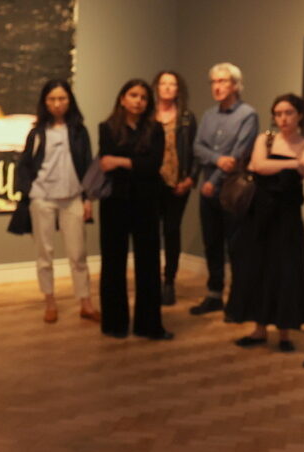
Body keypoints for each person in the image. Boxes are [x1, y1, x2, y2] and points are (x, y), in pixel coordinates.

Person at [225, 94, 304, 352]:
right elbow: (258, 165)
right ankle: (258, 329)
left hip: (287, 219)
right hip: (259, 217)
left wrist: (284, 165)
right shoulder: (264, 139)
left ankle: (284, 333)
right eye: (278, 113)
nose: (283, 118)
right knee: (257, 269)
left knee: (286, 272)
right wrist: (291, 163)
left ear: (299, 114)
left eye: (288, 112)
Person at [14, 79, 98, 324]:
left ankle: (86, 302)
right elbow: (25, 165)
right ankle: (49, 302)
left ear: (69, 100)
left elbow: (87, 164)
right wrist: (30, 191)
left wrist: (87, 197)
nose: (57, 104)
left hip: (72, 197)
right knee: (45, 254)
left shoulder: (79, 131)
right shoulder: (38, 132)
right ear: (45, 102)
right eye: (52, 99)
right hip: (42, 198)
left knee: (78, 253)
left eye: (62, 98)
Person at [97, 79, 172, 340]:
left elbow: (152, 165)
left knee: (149, 263)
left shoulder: (156, 129)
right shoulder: (107, 128)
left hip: (146, 202)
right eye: (133, 95)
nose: (138, 100)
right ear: (122, 98)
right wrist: (133, 163)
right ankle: (114, 323)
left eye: (143, 96)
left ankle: (148, 325)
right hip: (114, 202)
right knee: (113, 262)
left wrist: (120, 160)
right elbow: (104, 163)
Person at [190, 63, 258, 315]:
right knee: (212, 243)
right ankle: (214, 294)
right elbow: (197, 148)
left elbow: (238, 154)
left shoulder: (247, 115)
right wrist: (217, 160)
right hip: (208, 191)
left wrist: (213, 179)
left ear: (236, 85)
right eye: (214, 82)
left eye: (223, 82)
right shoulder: (208, 115)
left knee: (236, 245)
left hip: (232, 190)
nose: (217, 87)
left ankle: (238, 300)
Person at [152, 70, 198, 306]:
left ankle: (169, 281)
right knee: (149, 232)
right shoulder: (148, 115)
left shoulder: (187, 118)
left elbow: (196, 151)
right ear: (157, 87)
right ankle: (150, 280)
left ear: (178, 89)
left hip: (178, 182)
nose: (168, 88)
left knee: (171, 231)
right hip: (151, 182)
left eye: (173, 84)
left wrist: (191, 179)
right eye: (164, 83)